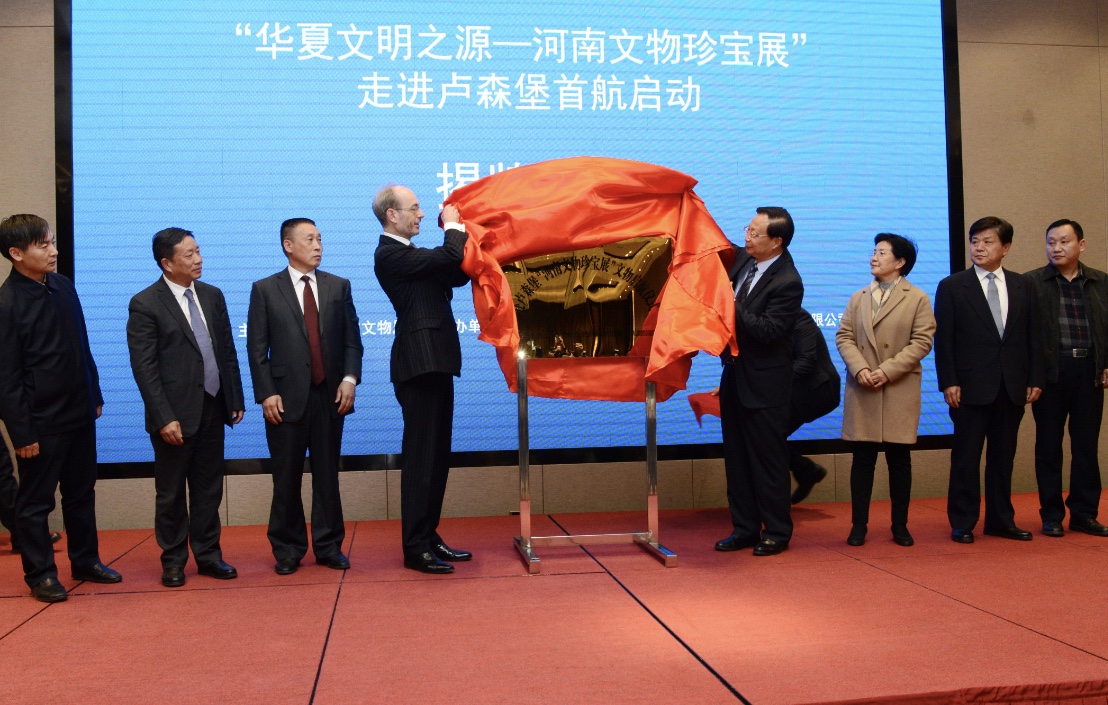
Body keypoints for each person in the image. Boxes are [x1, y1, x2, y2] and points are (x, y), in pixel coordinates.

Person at [0, 214, 121, 602]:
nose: (53, 251)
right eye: (44, 245)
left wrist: (94, 393)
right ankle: (40, 574)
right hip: (41, 420)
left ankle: (85, 560)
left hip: (79, 410)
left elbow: (81, 345)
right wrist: (22, 433)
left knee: (81, 492)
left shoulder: (63, 285)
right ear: (16, 253)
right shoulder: (7, 303)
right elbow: (6, 378)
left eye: (53, 242)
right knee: (36, 502)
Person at [126, 228, 246, 587]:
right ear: (167, 263)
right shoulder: (145, 303)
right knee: (172, 492)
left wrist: (235, 398)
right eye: (189, 254)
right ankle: (173, 560)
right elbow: (144, 368)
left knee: (209, 488)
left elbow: (226, 351)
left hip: (212, 405)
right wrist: (163, 416)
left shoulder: (212, 295)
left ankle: (209, 555)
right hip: (173, 415)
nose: (199, 259)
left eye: (198, 251)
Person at [247, 218, 362, 575]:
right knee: (286, 478)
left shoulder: (338, 286)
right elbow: (257, 349)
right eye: (309, 239)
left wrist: (349, 379)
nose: (317, 246)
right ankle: (288, 548)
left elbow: (352, 341)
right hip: (284, 398)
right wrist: (266, 393)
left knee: (328, 476)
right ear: (288, 245)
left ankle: (329, 546)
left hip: (330, 395)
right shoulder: (265, 289)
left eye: (319, 239)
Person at [373, 185, 472, 574]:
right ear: (392, 215)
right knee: (420, 457)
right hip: (418, 362)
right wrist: (453, 226)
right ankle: (415, 546)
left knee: (438, 455)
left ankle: (428, 535)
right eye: (414, 208)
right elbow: (449, 254)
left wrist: (467, 234)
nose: (421, 214)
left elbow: (456, 272)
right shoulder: (389, 253)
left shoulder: (414, 254)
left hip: (437, 359)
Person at [935, 216, 1043, 544]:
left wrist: (1035, 377)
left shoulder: (1024, 285)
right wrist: (948, 381)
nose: (979, 247)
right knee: (965, 458)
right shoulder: (953, 286)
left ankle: (1000, 520)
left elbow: (1033, 336)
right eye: (975, 241)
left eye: (987, 241)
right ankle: (963, 521)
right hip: (968, 387)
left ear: (1005, 247)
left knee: (1002, 457)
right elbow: (944, 340)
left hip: (1011, 385)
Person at [715, 207, 804, 556]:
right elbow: (712, 245)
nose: (747, 237)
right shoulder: (744, 259)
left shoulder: (788, 281)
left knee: (767, 462)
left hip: (766, 387)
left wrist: (730, 302)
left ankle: (777, 532)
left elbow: (768, 331)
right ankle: (744, 528)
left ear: (776, 241)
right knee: (736, 461)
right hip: (734, 377)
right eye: (747, 229)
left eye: (754, 233)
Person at [836, 234, 936, 547]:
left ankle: (900, 525)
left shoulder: (917, 298)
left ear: (900, 261)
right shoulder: (859, 297)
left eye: (881, 253)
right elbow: (844, 337)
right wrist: (861, 369)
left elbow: (922, 342)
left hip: (898, 388)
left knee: (899, 461)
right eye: (874, 252)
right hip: (863, 386)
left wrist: (887, 371)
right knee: (862, 461)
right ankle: (858, 526)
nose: (874, 258)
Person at [1027, 219, 1108, 538]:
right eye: (1051, 242)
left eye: (1064, 242)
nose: (1056, 248)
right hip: (1051, 373)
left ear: (1081, 245)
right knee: (1048, 446)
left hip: (1089, 371)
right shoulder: (1032, 282)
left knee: (1086, 446)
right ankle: (1051, 515)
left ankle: (1084, 514)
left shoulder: (1101, 282)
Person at [786, 308, 841, 503]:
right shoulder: (764, 321)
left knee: (767, 435)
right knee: (765, 437)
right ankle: (806, 470)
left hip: (817, 390)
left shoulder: (797, 316)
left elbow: (806, 363)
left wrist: (770, 383)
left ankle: (805, 471)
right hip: (794, 392)